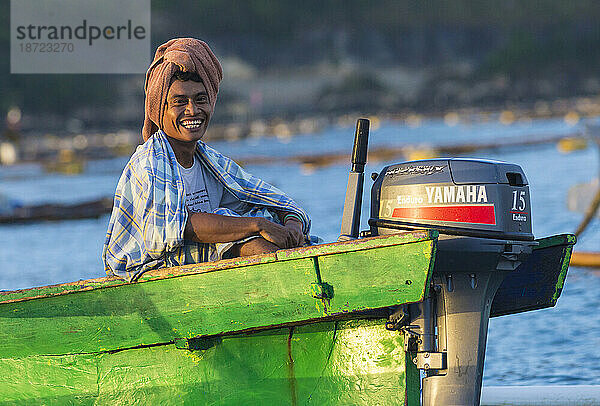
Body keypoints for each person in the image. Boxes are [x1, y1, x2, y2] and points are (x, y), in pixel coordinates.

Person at [102, 38, 310, 282]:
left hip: (190, 263)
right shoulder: (150, 161)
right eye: (179, 102)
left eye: (200, 100)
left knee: (279, 230)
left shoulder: (210, 160)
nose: (192, 110)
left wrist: (292, 227)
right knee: (254, 242)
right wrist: (257, 225)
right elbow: (176, 228)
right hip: (149, 272)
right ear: (161, 109)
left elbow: (274, 201)